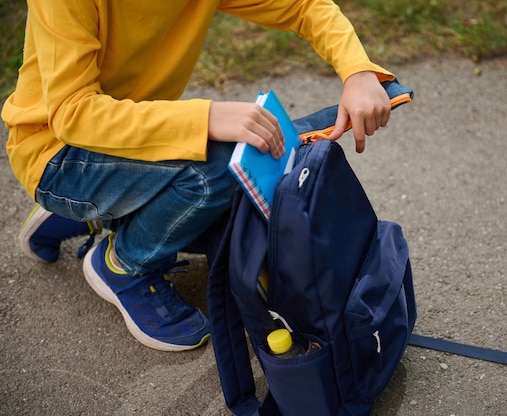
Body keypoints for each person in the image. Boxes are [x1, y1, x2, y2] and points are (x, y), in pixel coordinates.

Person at [2, 0, 395, 352]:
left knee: (237, 178)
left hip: (132, 144)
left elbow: (303, 6)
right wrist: (206, 118)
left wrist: (357, 71)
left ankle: (105, 207)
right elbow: (72, 111)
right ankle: (123, 264)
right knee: (219, 170)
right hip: (56, 154)